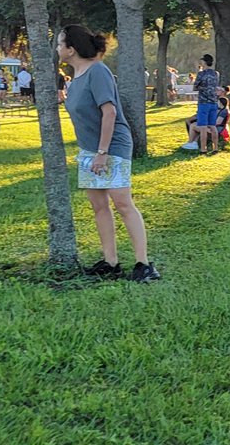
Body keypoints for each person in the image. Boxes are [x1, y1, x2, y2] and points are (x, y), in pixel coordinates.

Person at [57, 24, 160, 283]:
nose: (57, 48)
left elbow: (110, 112)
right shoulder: (76, 77)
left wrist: (102, 152)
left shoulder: (98, 72)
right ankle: (110, 262)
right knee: (99, 206)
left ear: (71, 49)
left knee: (123, 203)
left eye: (60, 44)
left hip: (111, 147)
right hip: (89, 150)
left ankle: (144, 264)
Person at [193, 54, 221, 153]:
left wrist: (201, 87)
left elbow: (195, 87)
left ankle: (203, 148)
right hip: (213, 102)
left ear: (204, 62)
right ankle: (215, 147)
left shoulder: (201, 74)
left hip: (203, 102)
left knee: (203, 127)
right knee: (212, 126)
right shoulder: (216, 74)